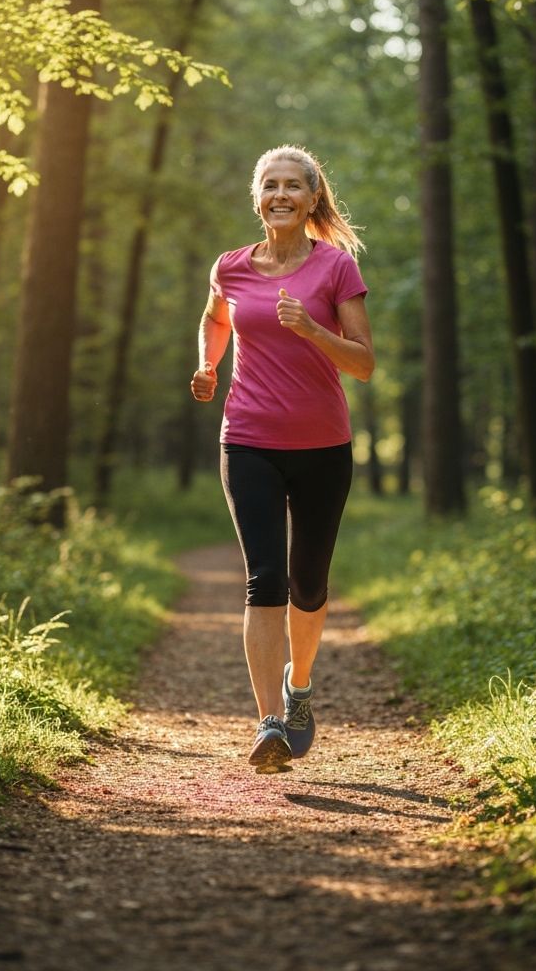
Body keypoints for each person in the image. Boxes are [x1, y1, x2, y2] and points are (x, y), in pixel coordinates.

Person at [189, 144, 375, 771]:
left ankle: (300, 688)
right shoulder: (232, 267)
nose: (281, 195)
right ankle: (269, 721)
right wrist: (209, 364)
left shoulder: (337, 269)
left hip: (324, 445)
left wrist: (313, 331)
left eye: (294, 185)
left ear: (313, 197)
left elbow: (364, 363)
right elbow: (216, 319)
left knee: (309, 584)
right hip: (247, 439)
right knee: (264, 578)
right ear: (257, 197)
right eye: (270, 185)